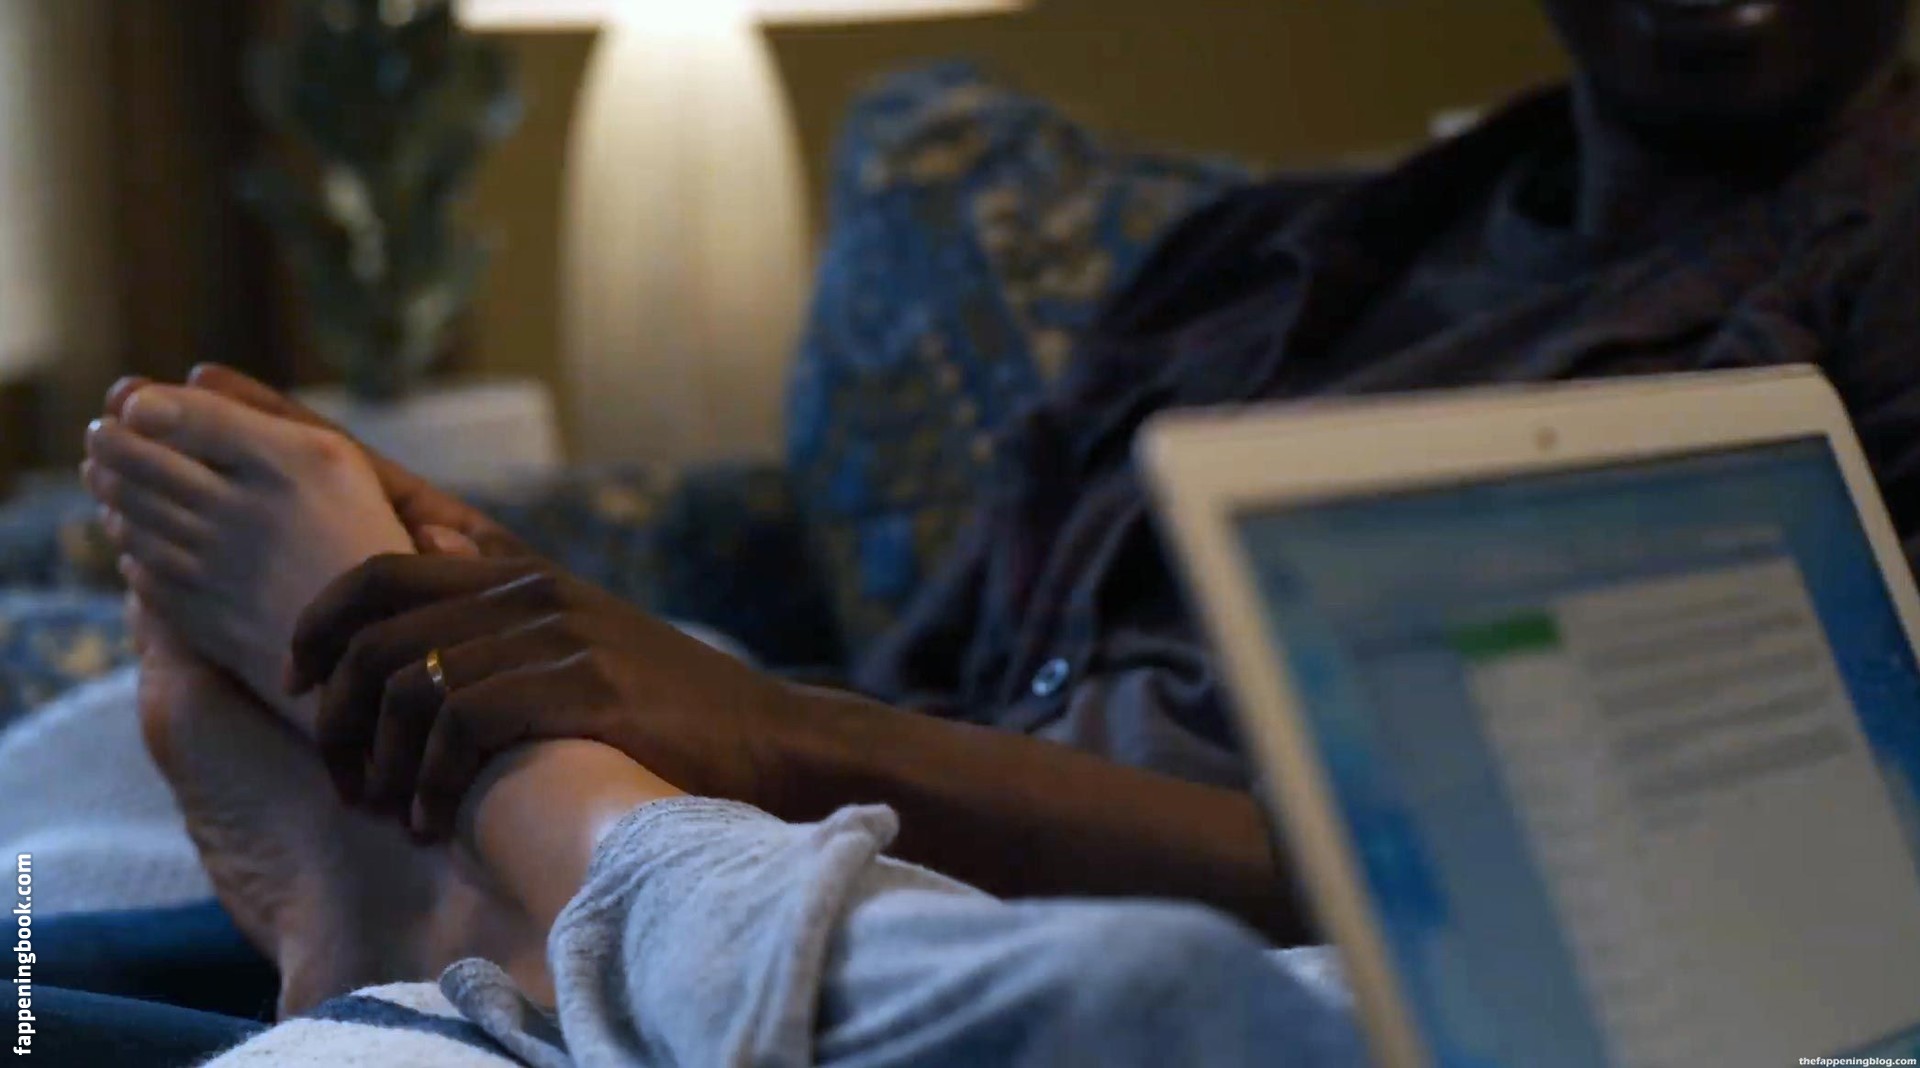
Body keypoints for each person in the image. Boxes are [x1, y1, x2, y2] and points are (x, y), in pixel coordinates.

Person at [26, 0, 1920, 1057]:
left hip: (1278, 930)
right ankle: (511, 883)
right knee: (83, 788)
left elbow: (1763, 897)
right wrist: (540, 620)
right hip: (878, 833)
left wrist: (762, 734)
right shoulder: (1273, 259)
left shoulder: (1879, 286)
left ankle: (518, 870)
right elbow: (940, 678)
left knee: (1131, 1012)